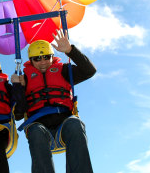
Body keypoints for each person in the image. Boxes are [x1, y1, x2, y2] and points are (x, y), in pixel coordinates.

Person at [11, 29, 96, 173]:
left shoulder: (63, 71)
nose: (43, 62)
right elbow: (18, 114)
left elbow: (89, 71)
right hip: (39, 124)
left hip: (65, 122)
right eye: (37, 58)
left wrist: (70, 50)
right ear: (30, 61)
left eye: (46, 57)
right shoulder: (24, 78)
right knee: (35, 131)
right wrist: (19, 89)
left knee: (75, 124)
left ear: (52, 57)